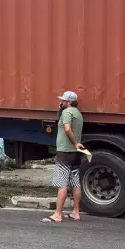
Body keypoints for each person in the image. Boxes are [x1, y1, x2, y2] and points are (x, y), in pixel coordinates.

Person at [42, 91, 85, 223]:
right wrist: (77, 145)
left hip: (65, 151)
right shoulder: (77, 113)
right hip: (75, 153)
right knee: (75, 182)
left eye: (64, 101)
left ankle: (57, 214)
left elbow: (66, 128)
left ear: (69, 102)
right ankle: (76, 213)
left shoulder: (67, 113)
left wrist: (74, 143)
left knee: (62, 183)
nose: (62, 102)